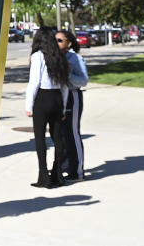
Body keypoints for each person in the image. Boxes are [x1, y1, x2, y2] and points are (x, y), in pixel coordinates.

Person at [25, 27, 69, 189]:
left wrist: (29, 105)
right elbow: (65, 86)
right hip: (57, 98)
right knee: (57, 138)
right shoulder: (60, 57)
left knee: (40, 138)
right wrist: (63, 108)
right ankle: (58, 175)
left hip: (43, 98)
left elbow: (34, 83)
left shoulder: (37, 57)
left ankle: (44, 177)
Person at [58, 29, 88, 181]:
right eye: (54, 40)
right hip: (58, 97)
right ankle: (64, 166)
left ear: (69, 43)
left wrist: (68, 74)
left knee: (72, 133)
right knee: (61, 135)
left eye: (60, 40)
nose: (56, 43)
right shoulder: (53, 57)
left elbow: (83, 81)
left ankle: (76, 171)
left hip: (72, 96)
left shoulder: (75, 58)